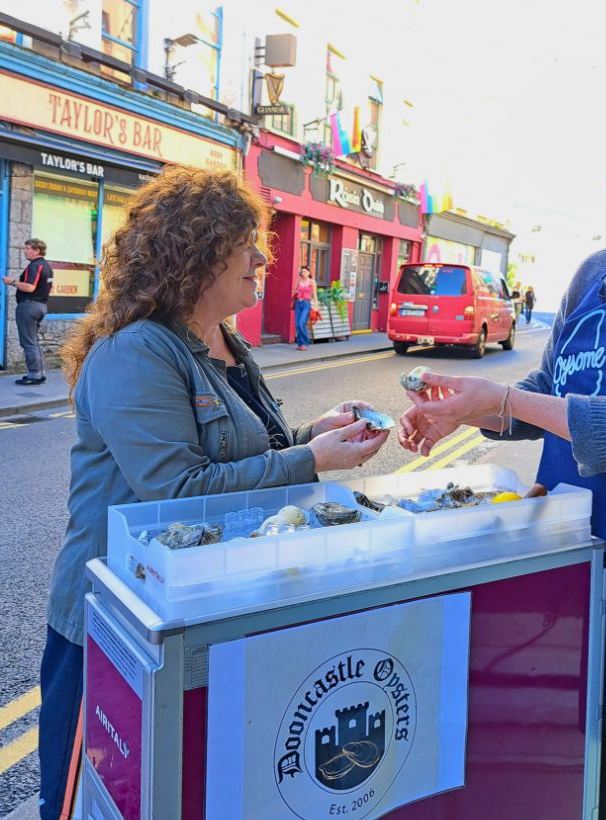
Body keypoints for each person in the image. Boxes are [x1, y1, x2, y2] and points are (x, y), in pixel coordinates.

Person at [397, 82, 606, 820]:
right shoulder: (598, 271)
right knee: (563, 750)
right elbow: (546, 392)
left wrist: (508, 402)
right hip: (573, 555)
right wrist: (468, 411)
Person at [38, 166, 389, 819]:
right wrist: (311, 460)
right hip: (116, 624)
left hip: (196, 605)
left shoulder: (223, 342)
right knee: (90, 800)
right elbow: (180, 489)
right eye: (247, 242)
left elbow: (247, 450)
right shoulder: (136, 352)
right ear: (197, 253)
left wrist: (319, 433)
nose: (264, 258)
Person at [2, 238, 53, 385]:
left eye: (28, 248)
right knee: (34, 341)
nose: (25, 251)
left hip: (29, 306)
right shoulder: (47, 266)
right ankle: (40, 373)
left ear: (37, 250)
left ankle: (34, 375)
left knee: (28, 343)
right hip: (41, 305)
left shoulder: (35, 266)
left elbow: (30, 287)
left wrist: (12, 282)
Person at [293, 264, 318, 351]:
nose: (303, 273)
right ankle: (300, 344)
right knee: (297, 325)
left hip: (306, 304)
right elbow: (294, 290)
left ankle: (305, 342)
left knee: (301, 323)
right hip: (298, 303)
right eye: (302, 271)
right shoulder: (298, 280)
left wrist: (316, 305)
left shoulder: (312, 282)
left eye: (305, 271)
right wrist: (296, 289)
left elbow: (314, 294)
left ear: (309, 273)